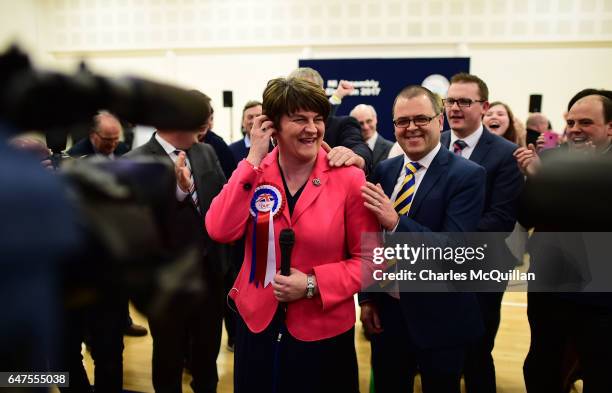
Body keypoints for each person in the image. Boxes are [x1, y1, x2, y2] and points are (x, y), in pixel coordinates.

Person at [205, 77, 379, 393]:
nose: (312, 128)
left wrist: (313, 283)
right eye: (299, 119)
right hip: (257, 324)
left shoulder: (349, 179)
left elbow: (370, 261)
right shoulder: (254, 174)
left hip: (322, 331)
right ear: (272, 125)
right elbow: (219, 229)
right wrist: (253, 159)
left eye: (318, 119)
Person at [359, 85, 486, 393]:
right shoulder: (386, 171)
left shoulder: (467, 175)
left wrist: (395, 221)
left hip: (441, 318)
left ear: (439, 121)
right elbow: (370, 239)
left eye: (421, 119)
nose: (411, 127)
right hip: (389, 316)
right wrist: (368, 297)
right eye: (403, 121)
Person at [125, 89, 228, 393]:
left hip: (210, 274)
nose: (204, 124)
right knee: (169, 356)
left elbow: (220, 201)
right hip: (167, 281)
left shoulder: (206, 152)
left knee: (207, 355)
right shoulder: (136, 161)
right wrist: (178, 192)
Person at [515, 92, 612, 392]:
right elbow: (527, 215)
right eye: (570, 122)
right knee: (541, 365)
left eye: (586, 122)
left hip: (600, 296)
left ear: (610, 127)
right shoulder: (552, 159)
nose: (574, 129)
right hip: (549, 289)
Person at [440, 73, 524, 393]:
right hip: (433, 268)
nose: (455, 108)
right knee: (438, 351)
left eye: (465, 101)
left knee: (476, 355)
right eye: (450, 101)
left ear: (484, 107)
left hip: (482, 269)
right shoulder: (431, 144)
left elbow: (500, 220)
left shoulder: (504, 154)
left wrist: (443, 240)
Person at [289, 67, 373, 172]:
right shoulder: (280, 127)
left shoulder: (342, 125)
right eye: (298, 94)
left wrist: (356, 157)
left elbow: (359, 147)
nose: (311, 130)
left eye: (310, 93)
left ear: (322, 94)